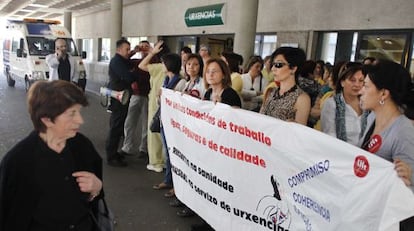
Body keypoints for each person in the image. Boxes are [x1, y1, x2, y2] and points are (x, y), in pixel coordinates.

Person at [0, 80, 103, 230]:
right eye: (71, 114)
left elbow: (96, 196)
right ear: (47, 120)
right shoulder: (18, 162)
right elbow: (8, 217)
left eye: (79, 112)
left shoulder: (82, 146)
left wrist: (97, 188)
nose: (80, 120)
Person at [357, 60, 414, 230]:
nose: (360, 91)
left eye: (366, 86)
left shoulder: (402, 131)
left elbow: (408, 193)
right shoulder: (371, 119)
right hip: (367, 212)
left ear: (383, 94)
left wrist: (407, 176)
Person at [138, 40, 171, 173]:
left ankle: (156, 162)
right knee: (166, 132)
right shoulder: (175, 67)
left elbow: (142, 65)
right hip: (169, 103)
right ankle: (164, 160)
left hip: (155, 101)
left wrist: (151, 53)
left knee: (154, 131)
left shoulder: (158, 67)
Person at [105, 39, 138, 167]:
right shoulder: (117, 61)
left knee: (119, 125)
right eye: (127, 50)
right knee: (116, 125)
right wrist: (134, 73)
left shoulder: (122, 60)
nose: (128, 52)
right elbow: (129, 77)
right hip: (118, 97)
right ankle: (111, 155)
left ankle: (114, 152)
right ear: (119, 50)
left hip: (123, 96)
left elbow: (129, 68)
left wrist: (134, 52)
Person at [260, 47, 311, 125]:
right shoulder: (271, 91)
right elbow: (259, 119)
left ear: (293, 68)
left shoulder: (302, 98)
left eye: (278, 65)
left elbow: (300, 133)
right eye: (273, 65)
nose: (273, 69)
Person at [321, 63, 366, 146]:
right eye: (352, 80)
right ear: (342, 82)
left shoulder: (367, 105)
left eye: (361, 80)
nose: (357, 84)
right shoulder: (332, 104)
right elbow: (330, 136)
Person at [120, 40, 151, 158]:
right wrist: (134, 51)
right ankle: (127, 146)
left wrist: (150, 52)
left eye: (146, 47)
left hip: (148, 95)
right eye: (142, 46)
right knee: (129, 122)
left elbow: (158, 62)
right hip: (136, 95)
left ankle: (144, 148)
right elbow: (124, 61)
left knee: (146, 124)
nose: (143, 49)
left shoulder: (153, 61)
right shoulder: (135, 62)